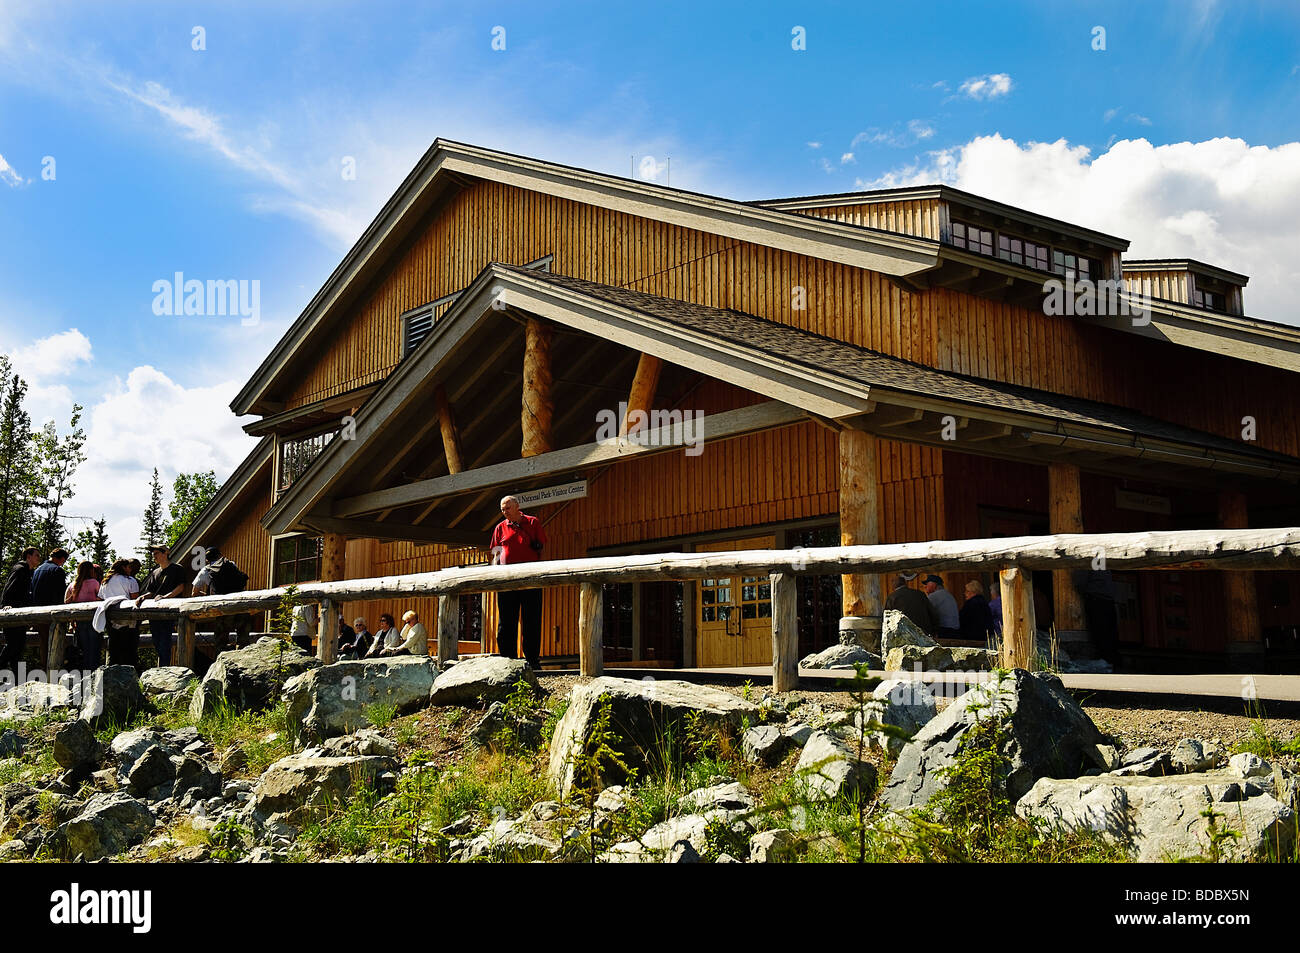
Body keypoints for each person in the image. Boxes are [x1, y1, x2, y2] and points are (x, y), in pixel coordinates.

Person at [489, 495, 547, 669]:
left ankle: (533, 661)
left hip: (531, 577)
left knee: (532, 620)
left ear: (517, 507)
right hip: (507, 580)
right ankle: (508, 660)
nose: (505, 512)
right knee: (506, 622)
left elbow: (543, 546)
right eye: (502, 509)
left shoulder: (532, 522)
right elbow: (495, 554)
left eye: (507, 508)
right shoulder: (500, 528)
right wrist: (494, 573)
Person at [192, 546, 250, 656]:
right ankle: (244, 662)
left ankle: (221, 664)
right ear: (220, 555)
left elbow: (194, 593)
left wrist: (209, 596)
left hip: (223, 607)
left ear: (207, 560)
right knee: (243, 640)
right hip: (240, 604)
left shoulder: (205, 570)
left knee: (221, 641)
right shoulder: (231, 564)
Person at [138, 545, 188, 667]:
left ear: (165, 553)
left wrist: (166, 598)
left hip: (170, 611)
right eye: (153, 553)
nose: (154, 556)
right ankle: (162, 668)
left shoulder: (177, 569)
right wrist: (142, 597)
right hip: (155, 614)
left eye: (157, 553)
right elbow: (152, 591)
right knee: (156, 641)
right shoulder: (155, 572)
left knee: (165, 640)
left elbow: (181, 587)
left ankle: (164, 669)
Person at [0, 548, 41, 674]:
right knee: (13, 646)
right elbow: (9, 588)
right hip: (13, 613)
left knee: (18, 648)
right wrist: (7, 605)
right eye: (36, 555)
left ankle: (18, 680)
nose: (39, 558)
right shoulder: (20, 569)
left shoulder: (29, 572)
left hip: (20, 613)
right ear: (28, 556)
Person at [29, 547, 70, 669]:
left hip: (37, 613)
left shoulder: (37, 570)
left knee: (43, 643)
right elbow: (60, 594)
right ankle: (51, 673)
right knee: (54, 644)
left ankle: (42, 669)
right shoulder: (57, 571)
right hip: (52, 614)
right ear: (62, 559)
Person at [100, 559, 142, 668]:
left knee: (114, 649)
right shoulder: (130, 580)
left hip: (110, 619)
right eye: (128, 567)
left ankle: (112, 672)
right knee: (129, 649)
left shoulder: (105, 582)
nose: (130, 569)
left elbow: (100, 597)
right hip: (128, 619)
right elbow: (135, 598)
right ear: (123, 567)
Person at [64, 560, 101, 669]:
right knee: (93, 648)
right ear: (91, 570)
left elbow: (66, 602)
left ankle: (82, 672)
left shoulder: (73, 585)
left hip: (78, 620)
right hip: (93, 619)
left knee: (82, 647)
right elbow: (100, 598)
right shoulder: (94, 583)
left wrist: (71, 621)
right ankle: (93, 671)